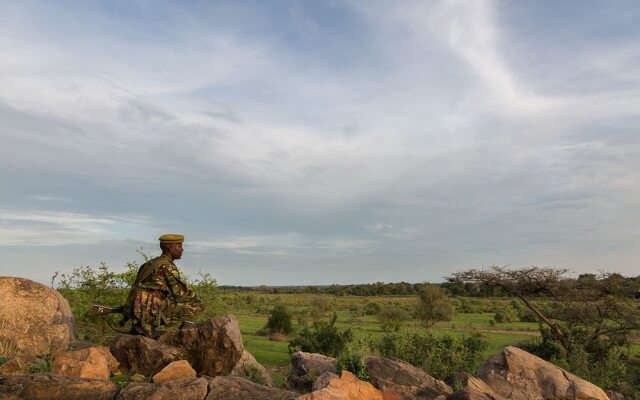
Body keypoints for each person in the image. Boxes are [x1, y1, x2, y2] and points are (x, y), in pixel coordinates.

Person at [123, 234, 202, 338]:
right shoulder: (167, 266)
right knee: (197, 304)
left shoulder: (150, 263)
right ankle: (184, 335)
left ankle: (144, 326)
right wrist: (195, 296)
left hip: (137, 307)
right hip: (148, 308)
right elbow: (179, 295)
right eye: (179, 246)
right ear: (170, 248)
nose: (182, 250)